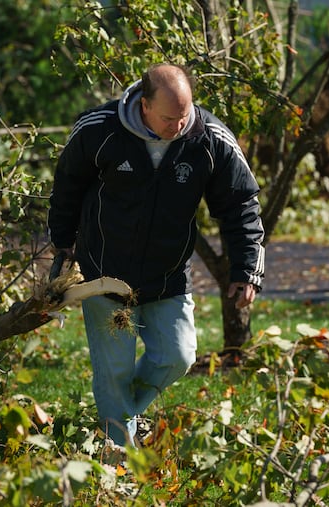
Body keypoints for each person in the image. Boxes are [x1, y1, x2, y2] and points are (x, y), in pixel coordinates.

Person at [48, 63, 265, 446]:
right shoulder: (99, 129)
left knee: (178, 357)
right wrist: (63, 242)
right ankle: (118, 461)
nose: (179, 125)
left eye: (185, 115)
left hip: (168, 276)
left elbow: (241, 205)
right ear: (144, 104)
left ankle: (122, 412)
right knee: (113, 373)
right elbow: (67, 185)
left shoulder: (209, 139)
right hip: (103, 274)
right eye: (169, 117)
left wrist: (247, 270)